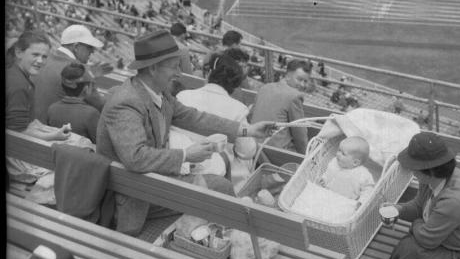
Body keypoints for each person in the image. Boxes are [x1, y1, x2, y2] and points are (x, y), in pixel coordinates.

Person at [96, 30, 275, 236]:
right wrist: (185, 155)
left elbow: (196, 118)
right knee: (220, 187)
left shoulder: (157, 93)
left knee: (217, 184)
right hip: (133, 196)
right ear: (153, 68)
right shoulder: (126, 103)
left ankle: (229, 240)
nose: (179, 73)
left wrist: (247, 130)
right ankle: (234, 242)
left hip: (151, 180)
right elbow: (135, 158)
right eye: (174, 66)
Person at [176, 52, 256, 191]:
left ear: (209, 73)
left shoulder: (183, 96)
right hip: (214, 176)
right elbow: (247, 152)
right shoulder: (238, 109)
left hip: (179, 167)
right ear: (235, 85)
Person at [33, 24, 113, 123]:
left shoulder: (44, 60)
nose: (92, 51)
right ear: (76, 47)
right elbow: (102, 106)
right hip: (57, 130)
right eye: (89, 47)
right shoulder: (80, 70)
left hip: (35, 125)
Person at [6, 30, 70, 141]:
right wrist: (54, 136)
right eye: (35, 55)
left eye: (44, 57)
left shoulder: (15, 72)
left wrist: (51, 130)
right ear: (19, 53)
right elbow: (17, 132)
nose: (40, 61)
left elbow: (28, 121)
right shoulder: (18, 85)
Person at [250, 59, 311, 154]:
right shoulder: (294, 96)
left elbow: (251, 115)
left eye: (306, 81)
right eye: (299, 79)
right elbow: (300, 137)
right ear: (287, 76)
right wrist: (305, 157)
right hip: (274, 153)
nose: (303, 85)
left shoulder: (265, 87)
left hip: (252, 146)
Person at [47, 63, 100, 144]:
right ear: (86, 88)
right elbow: (100, 143)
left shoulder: (52, 109)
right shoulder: (91, 114)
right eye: (91, 85)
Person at [320, 136, 374, 203]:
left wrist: (362, 201)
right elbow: (328, 173)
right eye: (339, 150)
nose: (338, 154)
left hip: (348, 202)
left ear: (355, 162)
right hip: (329, 196)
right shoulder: (334, 162)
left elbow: (368, 189)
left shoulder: (363, 174)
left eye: (343, 154)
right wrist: (324, 180)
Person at [167, 22, 193, 96]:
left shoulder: (162, 43)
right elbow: (188, 74)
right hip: (173, 85)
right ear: (183, 35)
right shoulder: (183, 49)